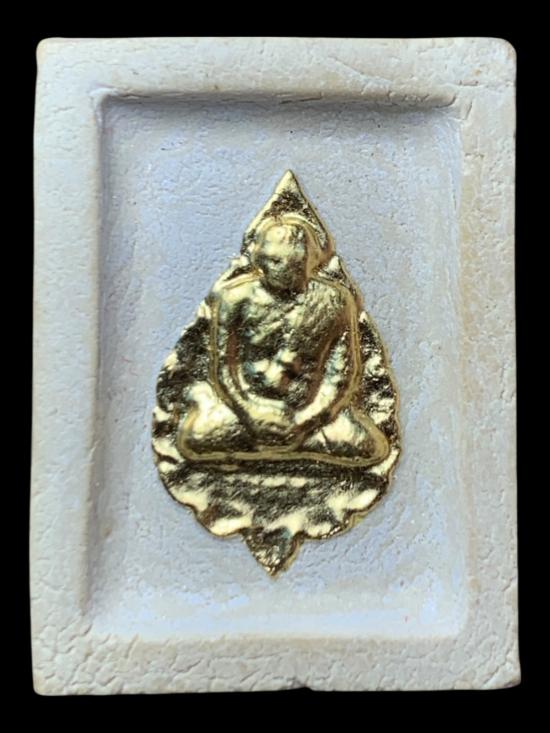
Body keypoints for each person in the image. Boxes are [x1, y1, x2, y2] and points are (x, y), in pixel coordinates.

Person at [176, 214, 389, 467]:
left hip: (310, 414)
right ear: (259, 259)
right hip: (246, 412)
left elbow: (341, 375)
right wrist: (250, 413)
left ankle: (279, 445)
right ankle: (283, 446)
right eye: (275, 260)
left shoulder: (334, 300)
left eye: (295, 262)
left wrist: (304, 421)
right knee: (194, 437)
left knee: (368, 446)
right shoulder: (234, 298)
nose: (285, 269)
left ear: (309, 260)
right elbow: (224, 369)